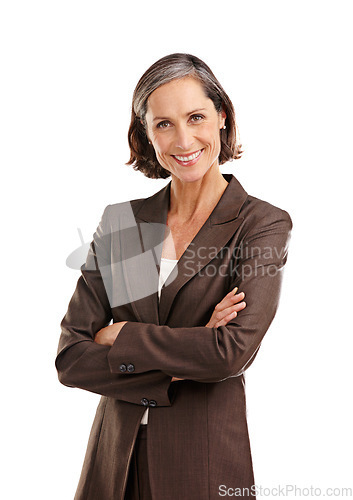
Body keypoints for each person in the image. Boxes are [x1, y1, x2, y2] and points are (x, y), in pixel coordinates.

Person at [55, 53, 293, 500]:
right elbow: (70, 358)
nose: (183, 139)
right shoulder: (121, 223)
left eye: (196, 117)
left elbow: (229, 352)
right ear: (146, 134)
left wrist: (121, 334)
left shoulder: (260, 224)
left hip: (201, 462)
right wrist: (183, 362)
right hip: (112, 466)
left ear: (222, 117)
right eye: (163, 124)